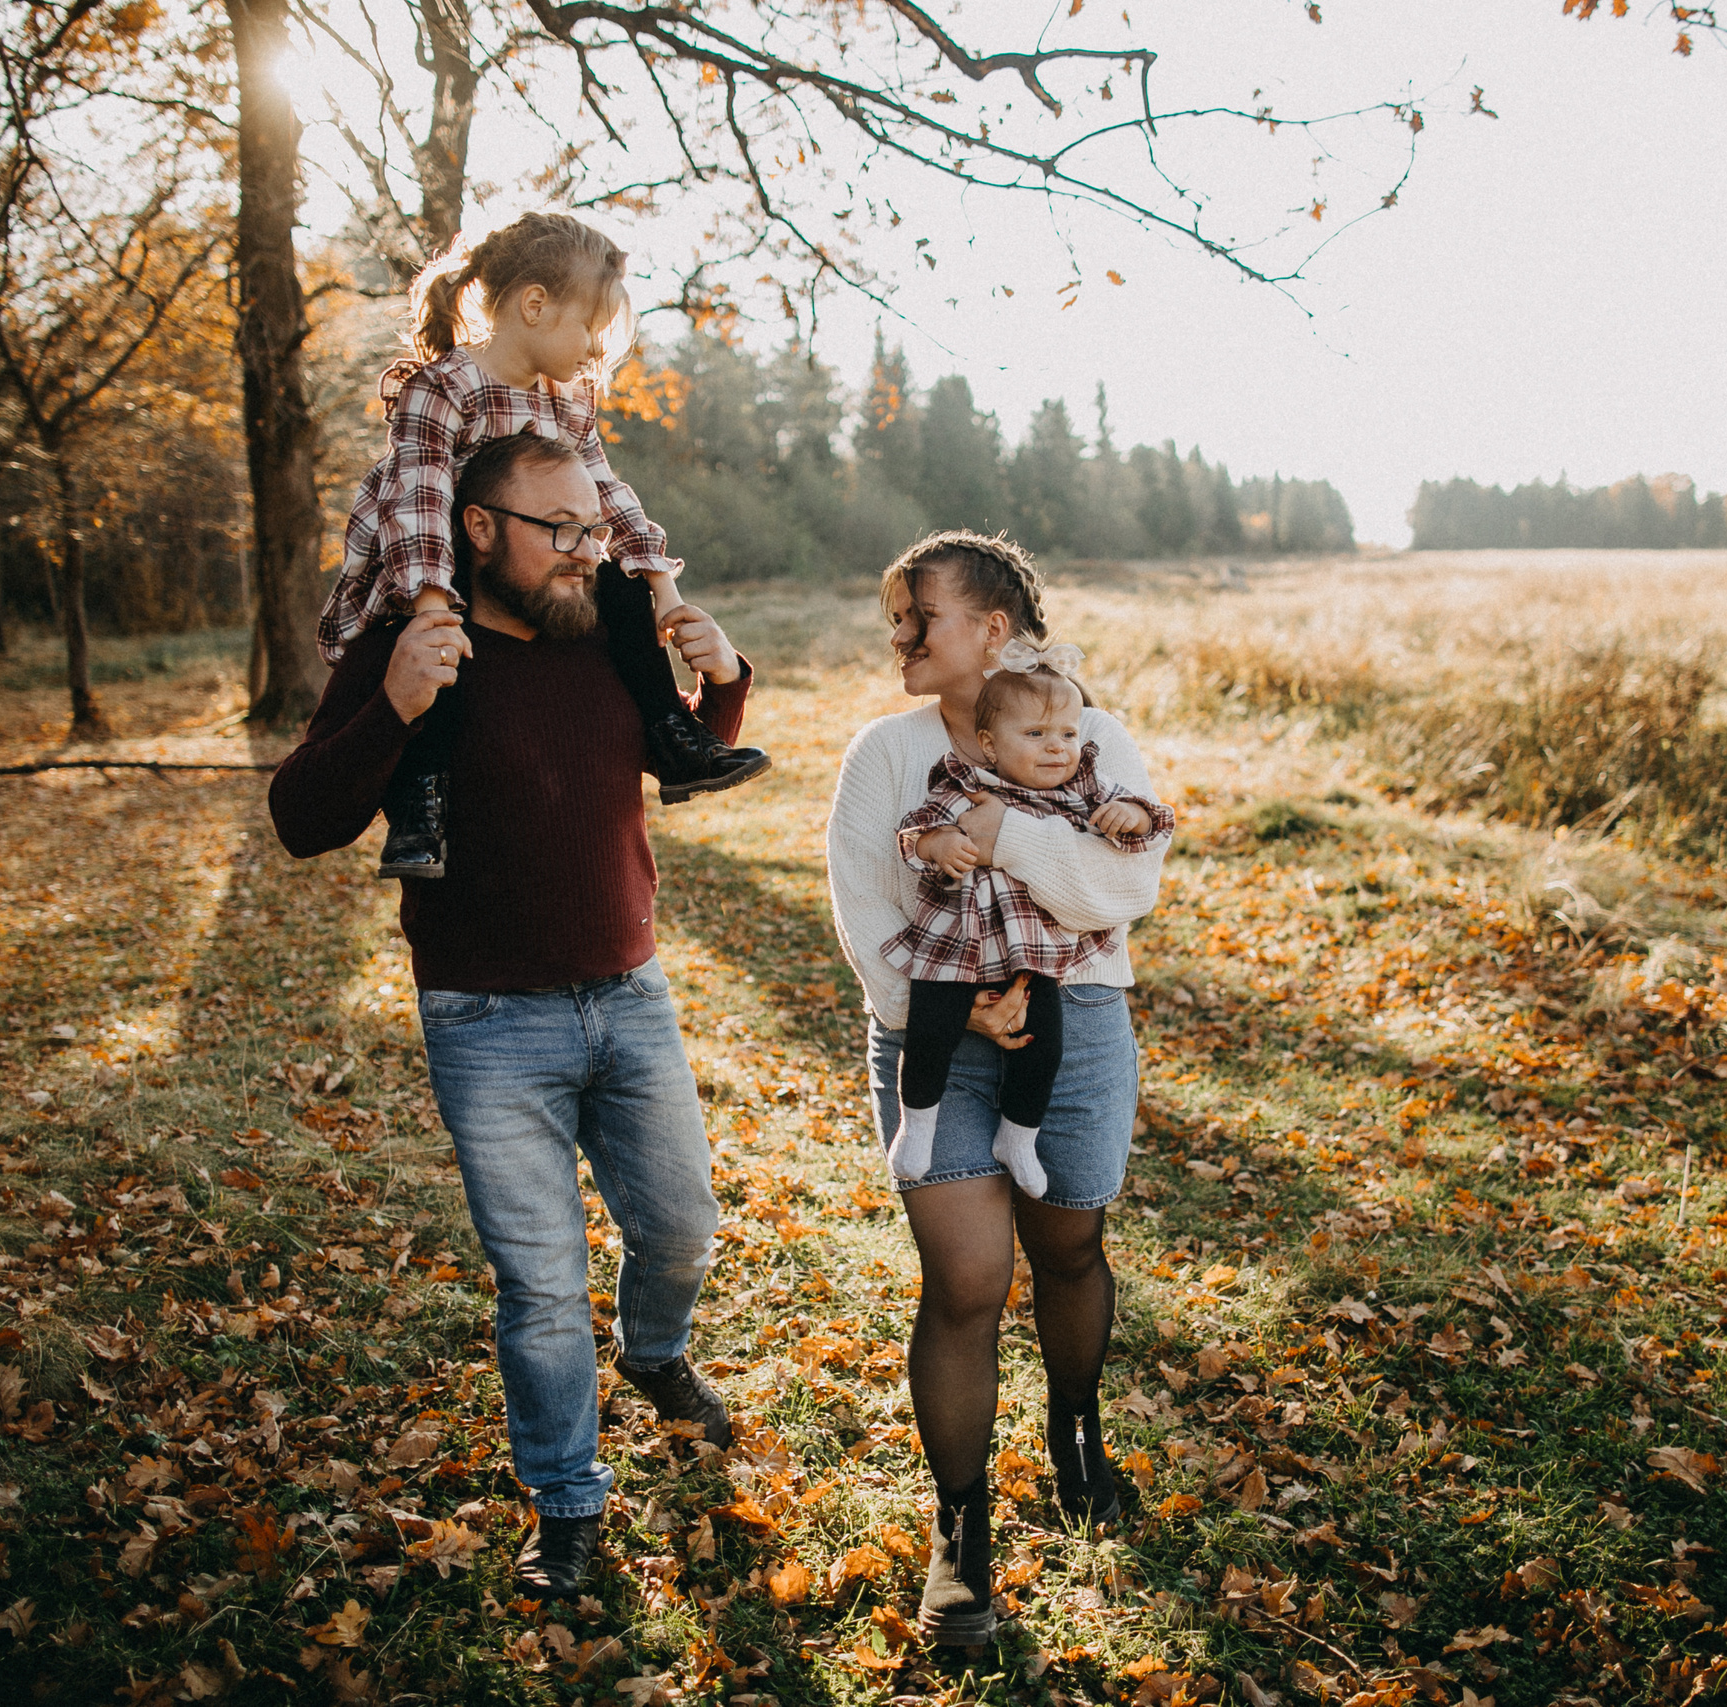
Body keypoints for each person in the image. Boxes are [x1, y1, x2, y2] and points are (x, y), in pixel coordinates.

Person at [271, 431, 751, 1598]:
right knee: (540, 1284)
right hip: (487, 1020)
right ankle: (569, 1509)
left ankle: (654, 1355)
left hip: (628, 995)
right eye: (559, 532)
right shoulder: (413, 645)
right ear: (476, 529)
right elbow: (301, 815)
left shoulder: (605, 632)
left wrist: (723, 681)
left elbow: (678, 762)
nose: (586, 552)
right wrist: (389, 707)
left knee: (684, 1228)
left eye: (593, 528)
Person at [825, 531, 1170, 1648]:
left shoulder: (1092, 736)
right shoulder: (884, 752)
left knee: (1068, 1248)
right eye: (900, 617)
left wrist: (1006, 826)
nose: (901, 636)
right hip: (936, 1035)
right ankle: (960, 1536)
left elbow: (1119, 892)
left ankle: (1076, 1428)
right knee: (966, 1281)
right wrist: (948, 1007)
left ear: (993, 630)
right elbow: (865, 912)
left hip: (1075, 1024)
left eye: (919, 614)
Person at [319, 211, 769, 882]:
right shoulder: (442, 388)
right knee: (444, 660)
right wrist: (432, 606)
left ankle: (674, 740)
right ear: (535, 304)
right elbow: (418, 502)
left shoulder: (565, 401)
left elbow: (606, 494)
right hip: (432, 564)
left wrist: (659, 586)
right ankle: (421, 798)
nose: (595, 348)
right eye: (589, 326)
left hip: (516, 561)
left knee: (615, 595)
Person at [882, 648, 1173, 1198]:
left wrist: (1131, 816)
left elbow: (1151, 821)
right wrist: (937, 841)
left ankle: (1018, 1135)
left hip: (1033, 950)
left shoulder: (1084, 783)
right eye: (1036, 735)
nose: (1056, 747)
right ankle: (916, 1124)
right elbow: (915, 830)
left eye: (1066, 733)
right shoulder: (962, 783)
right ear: (990, 743)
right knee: (929, 1031)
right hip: (955, 942)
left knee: (1042, 1043)